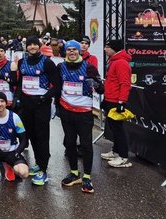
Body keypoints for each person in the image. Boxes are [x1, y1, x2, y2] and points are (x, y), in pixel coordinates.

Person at [56, 41, 103, 193]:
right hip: (66, 110)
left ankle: (87, 177)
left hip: (83, 113)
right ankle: (74, 173)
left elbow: (101, 89)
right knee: (69, 143)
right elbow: (57, 87)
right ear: (65, 52)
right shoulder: (61, 67)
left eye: (74, 50)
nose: (71, 52)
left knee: (86, 144)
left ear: (79, 51)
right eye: (69, 49)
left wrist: (95, 84)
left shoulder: (89, 67)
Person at [12, 35, 59, 186]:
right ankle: (38, 163)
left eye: (35, 44)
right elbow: (20, 82)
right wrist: (17, 98)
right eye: (30, 44)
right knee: (30, 135)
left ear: (39, 46)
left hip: (41, 104)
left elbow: (57, 85)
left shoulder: (47, 62)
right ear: (26, 47)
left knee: (42, 136)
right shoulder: (22, 62)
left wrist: (45, 97)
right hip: (26, 103)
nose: (32, 47)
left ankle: (43, 170)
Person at [100, 39, 133, 168]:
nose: (105, 49)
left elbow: (125, 83)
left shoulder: (121, 63)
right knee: (113, 128)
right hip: (110, 99)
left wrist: (121, 102)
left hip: (116, 101)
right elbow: (111, 81)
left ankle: (123, 156)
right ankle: (116, 151)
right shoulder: (114, 61)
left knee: (118, 129)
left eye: (107, 47)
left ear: (114, 48)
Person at [0, 42, 14, 110]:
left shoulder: (11, 64)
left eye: (1, 51)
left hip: (8, 97)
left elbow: (15, 82)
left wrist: (5, 78)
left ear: (5, 52)